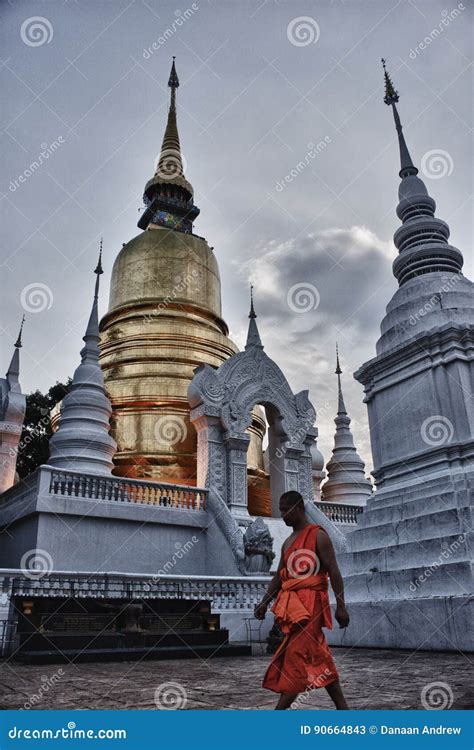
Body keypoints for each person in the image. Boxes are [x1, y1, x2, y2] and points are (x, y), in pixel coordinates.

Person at [254, 490, 350, 710]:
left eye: (286, 509)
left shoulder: (318, 536)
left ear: (299, 507)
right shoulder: (287, 542)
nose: (283, 515)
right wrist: (264, 602)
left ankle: (279, 712)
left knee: (296, 655)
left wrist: (341, 606)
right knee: (317, 655)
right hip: (293, 607)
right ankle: (343, 708)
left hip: (312, 606)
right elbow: (279, 576)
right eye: (280, 510)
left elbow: (334, 572)